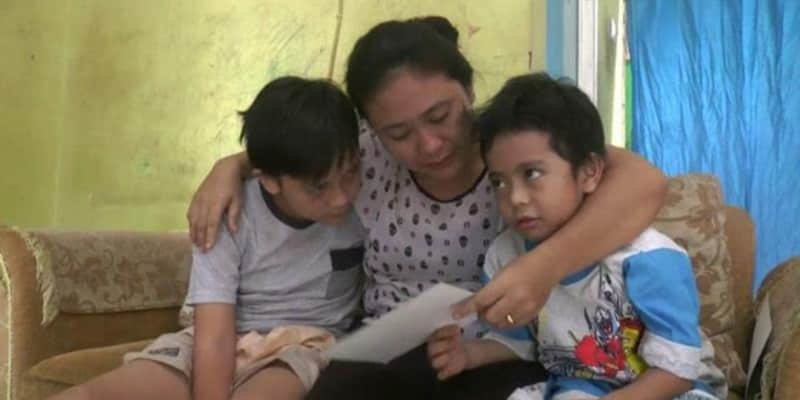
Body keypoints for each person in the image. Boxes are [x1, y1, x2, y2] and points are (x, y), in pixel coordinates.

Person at [187, 16, 668, 399]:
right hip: (382, 351)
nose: (430, 144)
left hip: (495, 347)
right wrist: (231, 165)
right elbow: (292, 155)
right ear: (371, 130)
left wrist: (541, 268)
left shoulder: (510, 147)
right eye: (398, 133)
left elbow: (643, 182)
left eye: (441, 116)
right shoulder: (362, 160)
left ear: (469, 92)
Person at [49, 77, 366, 400]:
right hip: (222, 335)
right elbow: (213, 336)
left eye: (351, 173)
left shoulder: (369, 200)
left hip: (303, 345)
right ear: (269, 180)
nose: (341, 197)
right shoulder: (226, 211)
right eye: (319, 187)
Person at [428, 72, 726, 400]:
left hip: (670, 389)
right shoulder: (506, 255)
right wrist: (467, 355)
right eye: (499, 182)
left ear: (589, 172)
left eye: (532, 174)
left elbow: (678, 370)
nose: (515, 198)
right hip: (582, 386)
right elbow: (518, 342)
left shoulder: (648, 259)